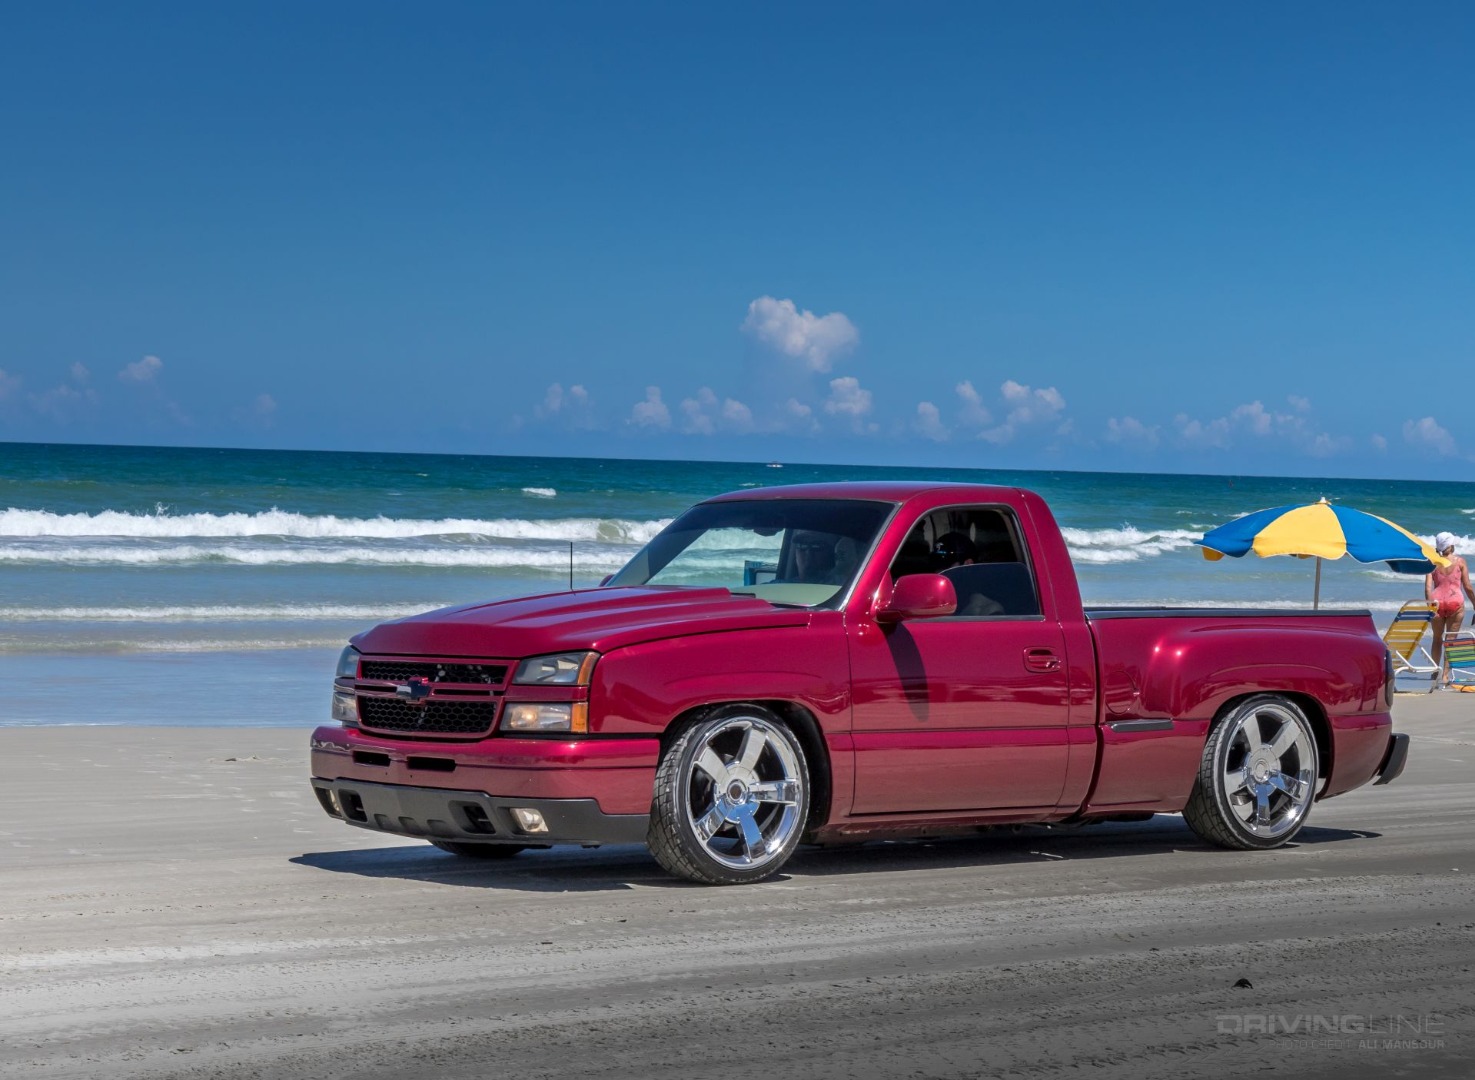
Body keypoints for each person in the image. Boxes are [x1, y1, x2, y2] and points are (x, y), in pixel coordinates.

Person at [1425, 531, 1475, 684]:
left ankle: (1434, 671)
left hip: (1437, 603)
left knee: (1437, 639)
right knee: (1450, 641)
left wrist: (1430, 605)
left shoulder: (1432, 562)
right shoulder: (1460, 562)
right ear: (1451, 546)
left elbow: (1428, 587)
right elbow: (1467, 586)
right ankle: (1445, 675)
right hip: (1455, 603)